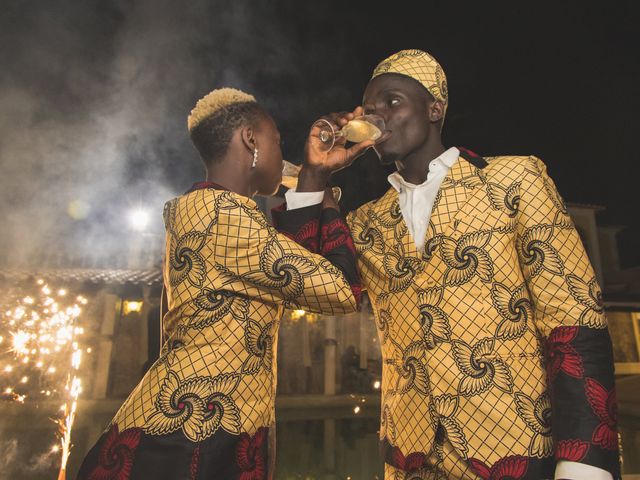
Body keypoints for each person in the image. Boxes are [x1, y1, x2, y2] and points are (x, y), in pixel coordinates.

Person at [285, 50, 620, 479]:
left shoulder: (515, 180)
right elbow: (309, 286)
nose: (377, 116)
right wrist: (316, 173)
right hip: (409, 461)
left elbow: (574, 320)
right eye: (369, 110)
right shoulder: (367, 222)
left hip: (517, 453)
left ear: (434, 109)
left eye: (392, 102)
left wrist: (583, 462)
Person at [76, 87, 371, 479]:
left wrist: (314, 172)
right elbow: (339, 288)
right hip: (194, 437)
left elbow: (298, 268)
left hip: (194, 424)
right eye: (276, 142)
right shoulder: (224, 218)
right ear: (250, 138)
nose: (282, 156)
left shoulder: (207, 211)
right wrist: (326, 194)